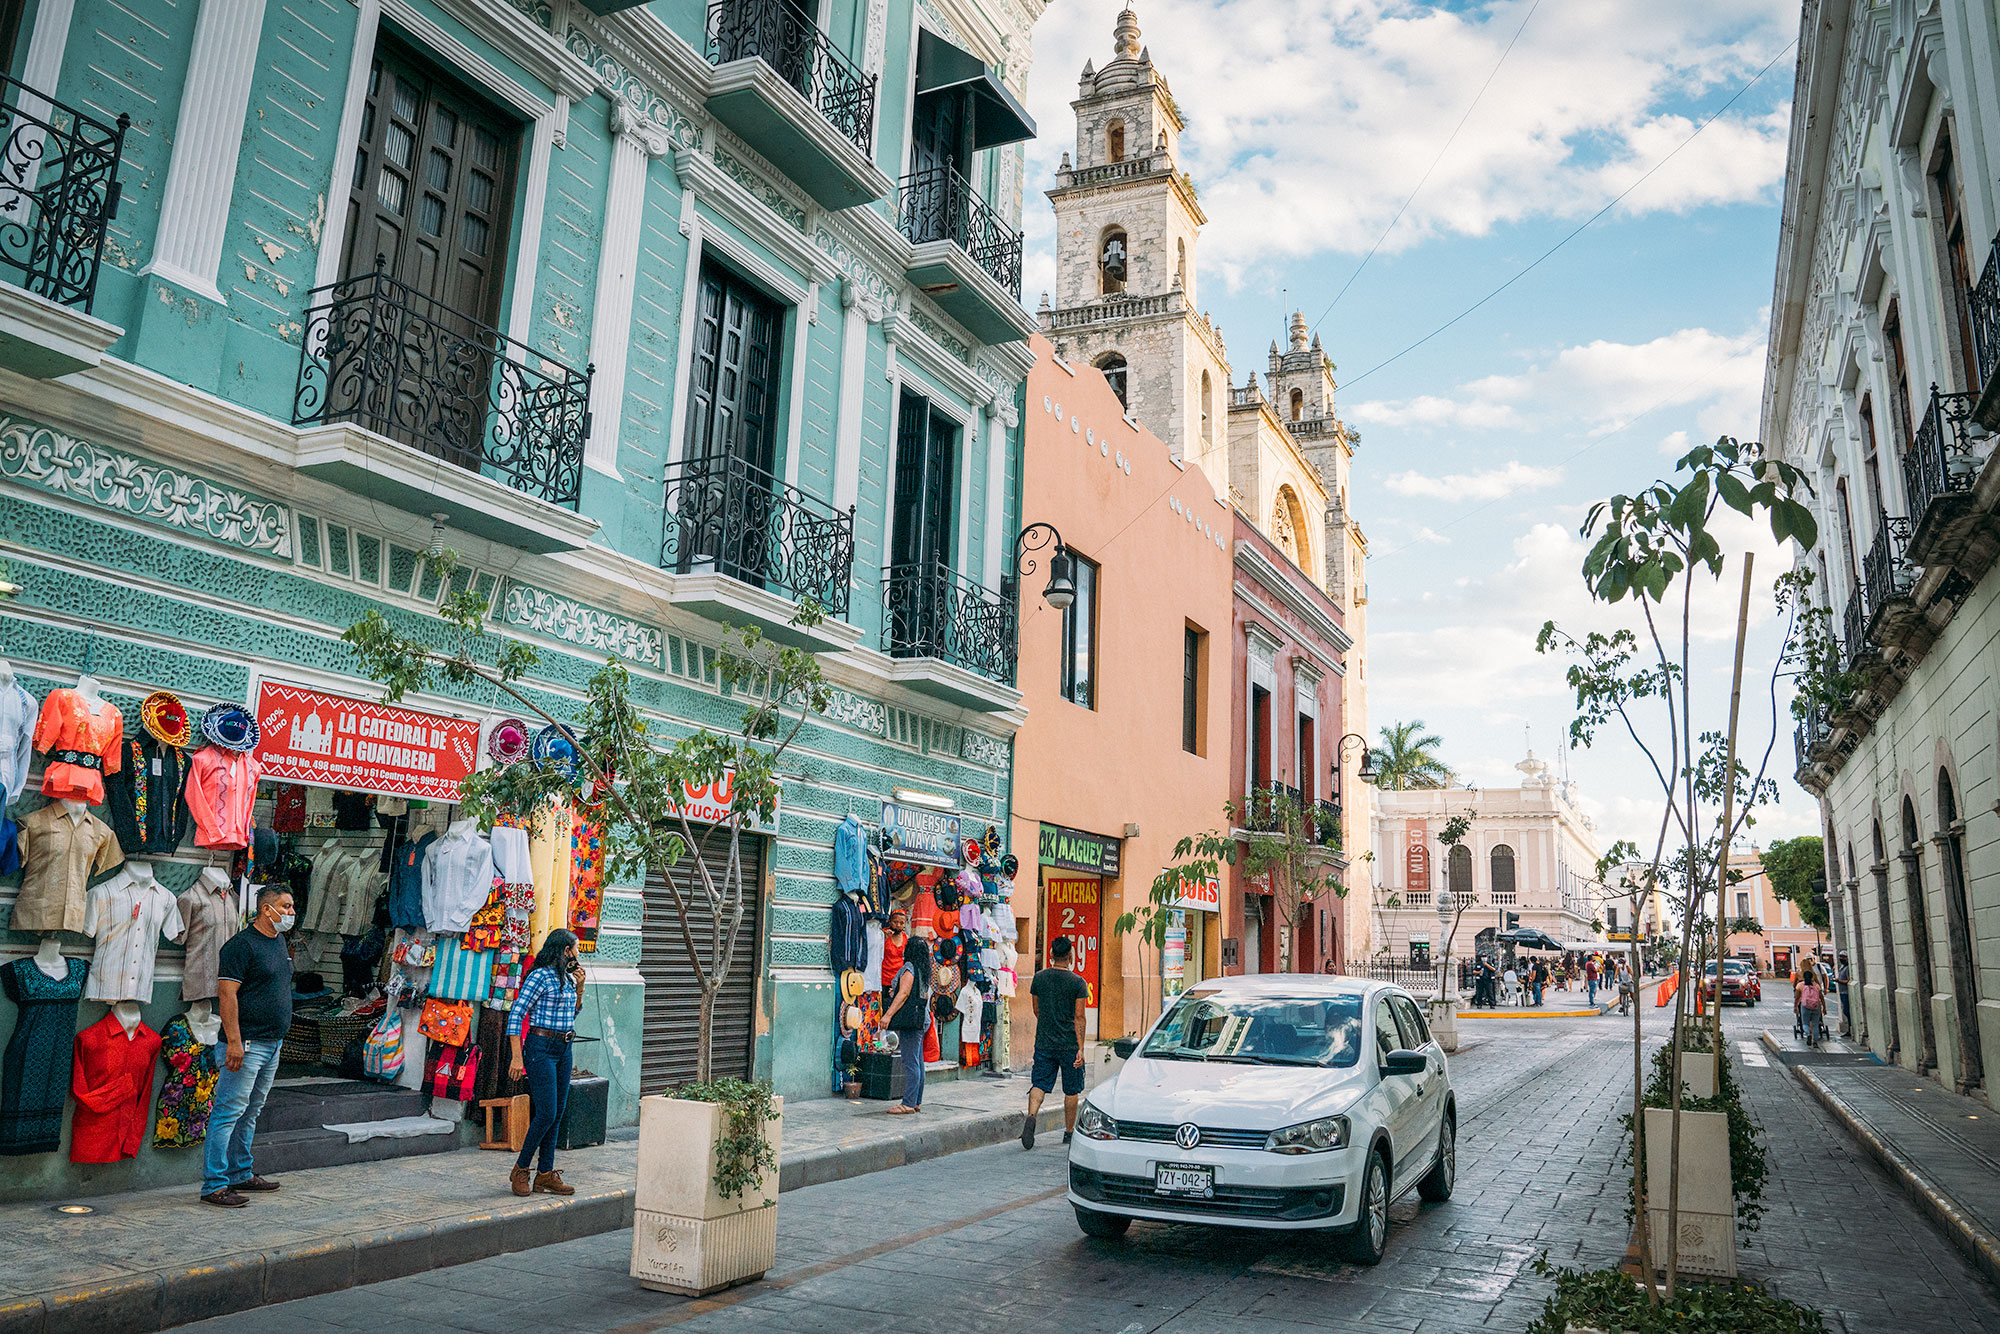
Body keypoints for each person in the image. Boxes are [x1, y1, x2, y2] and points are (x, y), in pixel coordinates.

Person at [201, 887, 295, 1207]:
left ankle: (241, 1171)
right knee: (228, 1112)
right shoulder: (240, 946)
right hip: (248, 1044)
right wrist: (235, 1042)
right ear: (267, 910)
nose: (291, 912)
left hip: (272, 1043)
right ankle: (214, 1185)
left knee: (251, 1111)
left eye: (292, 905)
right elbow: (227, 996)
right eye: (286, 906)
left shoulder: (279, 942)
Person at [508, 929, 583, 1197]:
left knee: (558, 1112)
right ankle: (520, 1169)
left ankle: (545, 1175)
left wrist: (580, 988)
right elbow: (516, 1015)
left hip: (565, 1047)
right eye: (575, 948)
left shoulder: (569, 978)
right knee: (546, 1113)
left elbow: (571, 1013)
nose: (578, 953)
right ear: (565, 950)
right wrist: (517, 1057)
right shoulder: (539, 976)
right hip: (540, 1048)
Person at [1023, 936, 1089, 1149]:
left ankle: (1031, 1117)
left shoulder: (1039, 978)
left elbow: (1036, 1009)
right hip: (1069, 1044)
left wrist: (1048, 1025)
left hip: (1044, 1041)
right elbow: (1079, 1017)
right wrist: (1081, 1048)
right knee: (1071, 1090)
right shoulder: (1078, 983)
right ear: (1070, 956)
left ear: (1050, 955)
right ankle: (1069, 1133)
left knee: (1039, 1084)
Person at [881, 936, 931, 1115]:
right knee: (918, 1062)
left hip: (911, 1021)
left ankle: (908, 1103)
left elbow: (903, 994)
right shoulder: (924, 971)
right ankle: (916, 1101)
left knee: (911, 1062)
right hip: (921, 1019)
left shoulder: (909, 969)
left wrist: (888, 1015)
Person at [1798, 967, 1826, 1048]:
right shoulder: (1816, 986)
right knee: (1815, 1024)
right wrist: (1824, 1007)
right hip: (1816, 1006)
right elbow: (1821, 997)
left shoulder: (1800, 985)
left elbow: (1797, 997)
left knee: (1805, 1023)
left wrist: (1796, 1006)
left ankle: (1808, 1034)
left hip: (1805, 1006)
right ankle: (1815, 1042)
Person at [1836, 953, 1854, 1037]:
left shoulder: (1847, 968)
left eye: (1843, 957)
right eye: (1840, 957)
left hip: (1846, 992)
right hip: (1842, 992)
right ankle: (1849, 1029)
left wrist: (1839, 981)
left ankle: (1850, 1029)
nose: (1841, 958)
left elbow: (1848, 980)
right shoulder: (1842, 967)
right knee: (1845, 1011)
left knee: (1846, 1011)